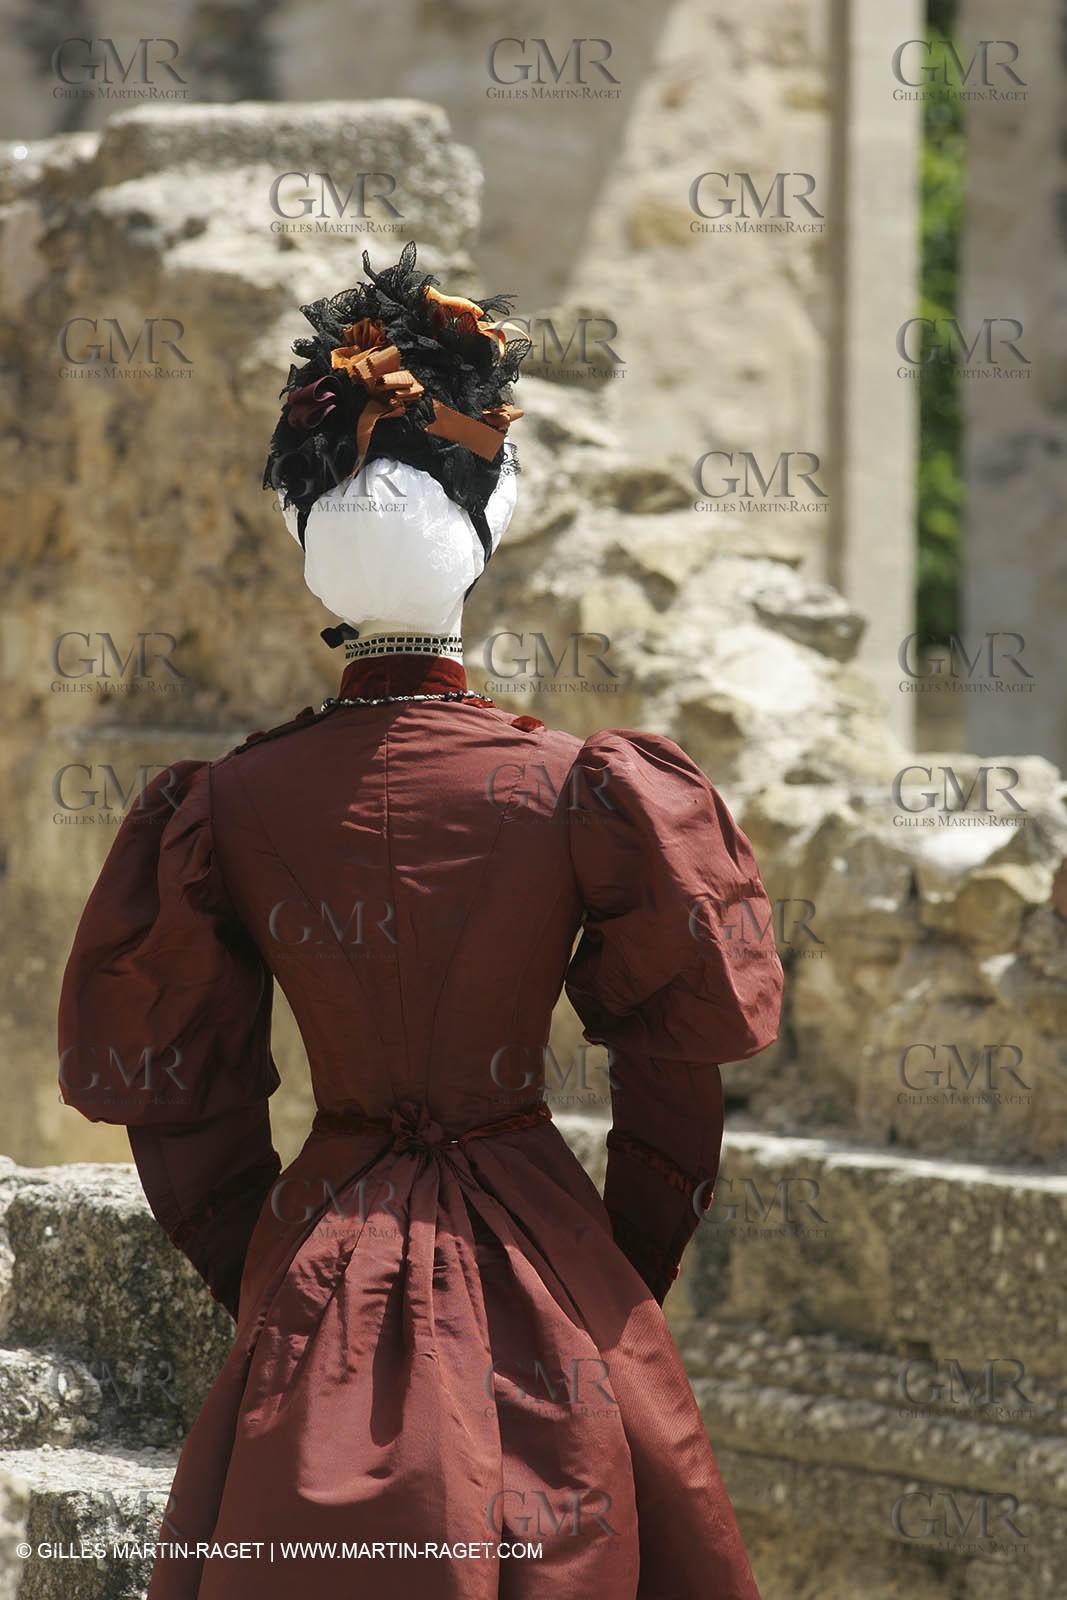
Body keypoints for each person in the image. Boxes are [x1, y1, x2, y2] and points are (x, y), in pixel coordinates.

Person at [58, 243, 782, 1598]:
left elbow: (180, 1094)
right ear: (485, 533)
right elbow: (676, 1072)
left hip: (319, 1249)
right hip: (546, 1251)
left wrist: (270, 1263)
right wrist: (610, 1273)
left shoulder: (227, 804)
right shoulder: (577, 787)